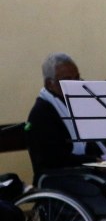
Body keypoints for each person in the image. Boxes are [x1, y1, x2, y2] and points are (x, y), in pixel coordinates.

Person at [24, 53, 90, 183]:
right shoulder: (41, 112)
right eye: (67, 80)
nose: (75, 84)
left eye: (77, 78)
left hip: (80, 171)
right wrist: (93, 161)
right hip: (56, 177)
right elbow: (53, 159)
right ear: (50, 84)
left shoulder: (74, 103)